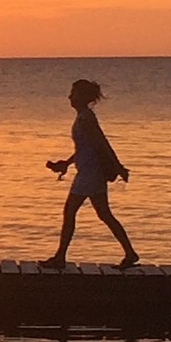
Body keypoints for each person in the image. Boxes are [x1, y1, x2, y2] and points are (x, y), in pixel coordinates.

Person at [44, 77, 139, 268]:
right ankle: (130, 253)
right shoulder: (82, 117)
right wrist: (67, 163)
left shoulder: (86, 118)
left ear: (82, 97)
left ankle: (60, 257)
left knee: (71, 211)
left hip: (90, 174)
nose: (69, 97)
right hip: (88, 171)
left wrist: (118, 167)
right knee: (104, 214)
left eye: (73, 93)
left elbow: (101, 143)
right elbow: (85, 147)